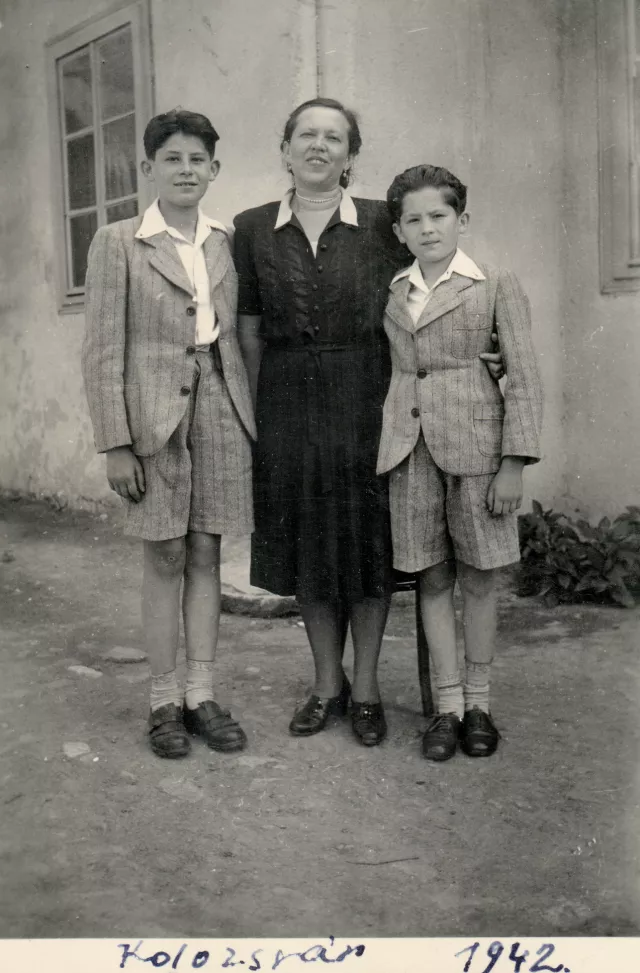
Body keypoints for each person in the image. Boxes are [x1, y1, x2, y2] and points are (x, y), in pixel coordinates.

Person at [234, 99, 504, 747]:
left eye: (334, 137)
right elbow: (248, 330)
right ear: (285, 148)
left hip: (372, 401)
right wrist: (259, 414)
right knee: (310, 550)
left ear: (351, 154)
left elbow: (437, 286)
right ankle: (326, 685)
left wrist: (481, 350)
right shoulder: (251, 227)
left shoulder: (384, 221)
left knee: (368, 549)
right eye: (306, 135)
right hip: (288, 403)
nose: (319, 146)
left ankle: (367, 691)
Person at [82, 110, 256, 759]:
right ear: (148, 168)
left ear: (214, 170)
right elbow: (102, 349)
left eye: (197, 160)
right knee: (163, 555)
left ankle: (201, 693)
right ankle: (162, 700)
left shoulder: (225, 240)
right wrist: (116, 442)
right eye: (172, 159)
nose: (186, 170)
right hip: (152, 419)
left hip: (218, 407)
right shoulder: (119, 241)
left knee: (207, 551)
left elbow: (238, 332)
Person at [378, 164, 543, 761]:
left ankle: (478, 704)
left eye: (439, 216)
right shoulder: (395, 289)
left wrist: (513, 462)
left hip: (478, 450)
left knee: (478, 576)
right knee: (430, 576)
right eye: (414, 220)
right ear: (399, 231)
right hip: (409, 449)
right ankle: (446, 707)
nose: (427, 228)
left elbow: (523, 376)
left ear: (461, 219)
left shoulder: (493, 282)